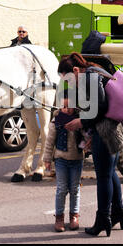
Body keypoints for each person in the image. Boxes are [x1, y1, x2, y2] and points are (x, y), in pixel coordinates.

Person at [59, 53, 123, 237]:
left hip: (106, 132)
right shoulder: (94, 72)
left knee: (103, 176)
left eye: (67, 80)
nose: (68, 84)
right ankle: (118, 212)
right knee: (110, 173)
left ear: (74, 70)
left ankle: (103, 220)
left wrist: (80, 122)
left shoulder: (89, 77)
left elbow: (100, 107)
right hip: (110, 129)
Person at [43, 93, 85, 232]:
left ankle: (74, 216)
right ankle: (59, 218)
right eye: (63, 107)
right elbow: (49, 142)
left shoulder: (80, 120)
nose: (66, 109)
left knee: (75, 189)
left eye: (69, 107)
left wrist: (86, 139)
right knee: (61, 189)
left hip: (77, 160)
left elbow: (87, 136)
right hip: (61, 160)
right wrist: (47, 160)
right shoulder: (56, 121)